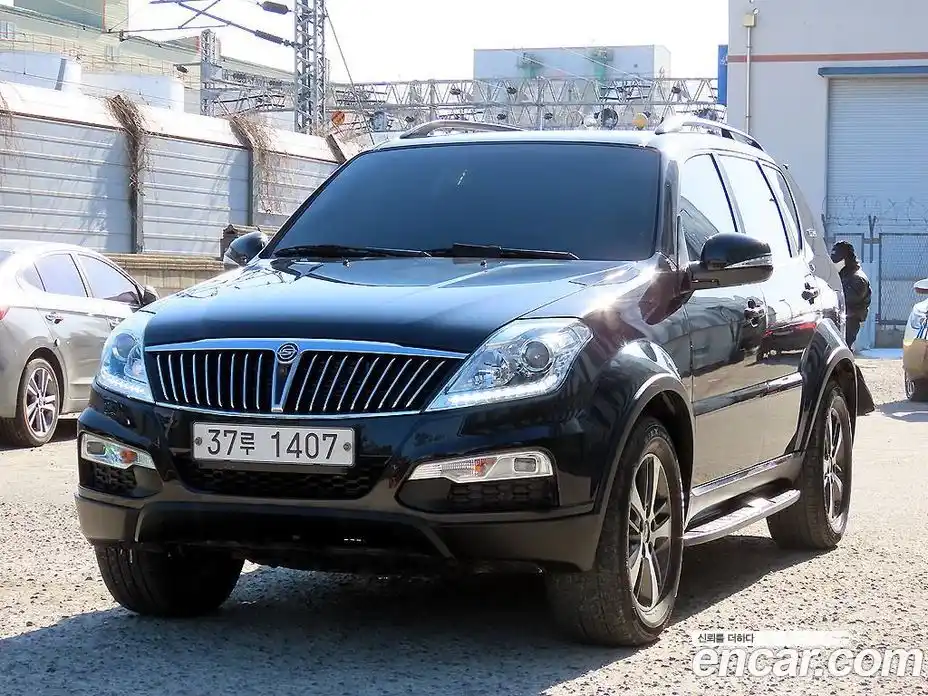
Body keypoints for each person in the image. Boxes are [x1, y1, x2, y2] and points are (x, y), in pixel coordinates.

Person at [830, 240, 872, 349]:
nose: (834, 263)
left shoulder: (857, 279)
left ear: (846, 259)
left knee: (843, 350)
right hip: (842, 320)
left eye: (837, 260)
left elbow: (846, 299)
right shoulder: (844, 275)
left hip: (849, 321)